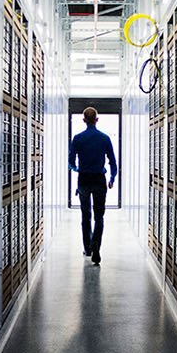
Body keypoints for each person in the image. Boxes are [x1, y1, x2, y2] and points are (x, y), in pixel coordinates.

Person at [68, 106, 117, 265]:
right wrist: (112, 178)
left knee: (85, 215)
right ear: (96, 120)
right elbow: (113, 162)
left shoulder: (77, 138)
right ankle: (96, 247)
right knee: (99, 216)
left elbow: (70, 162)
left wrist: (77, 169)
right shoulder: (104, 138)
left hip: (83, 180)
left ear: (84, 120)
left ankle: (87, 249)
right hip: (99, 180)